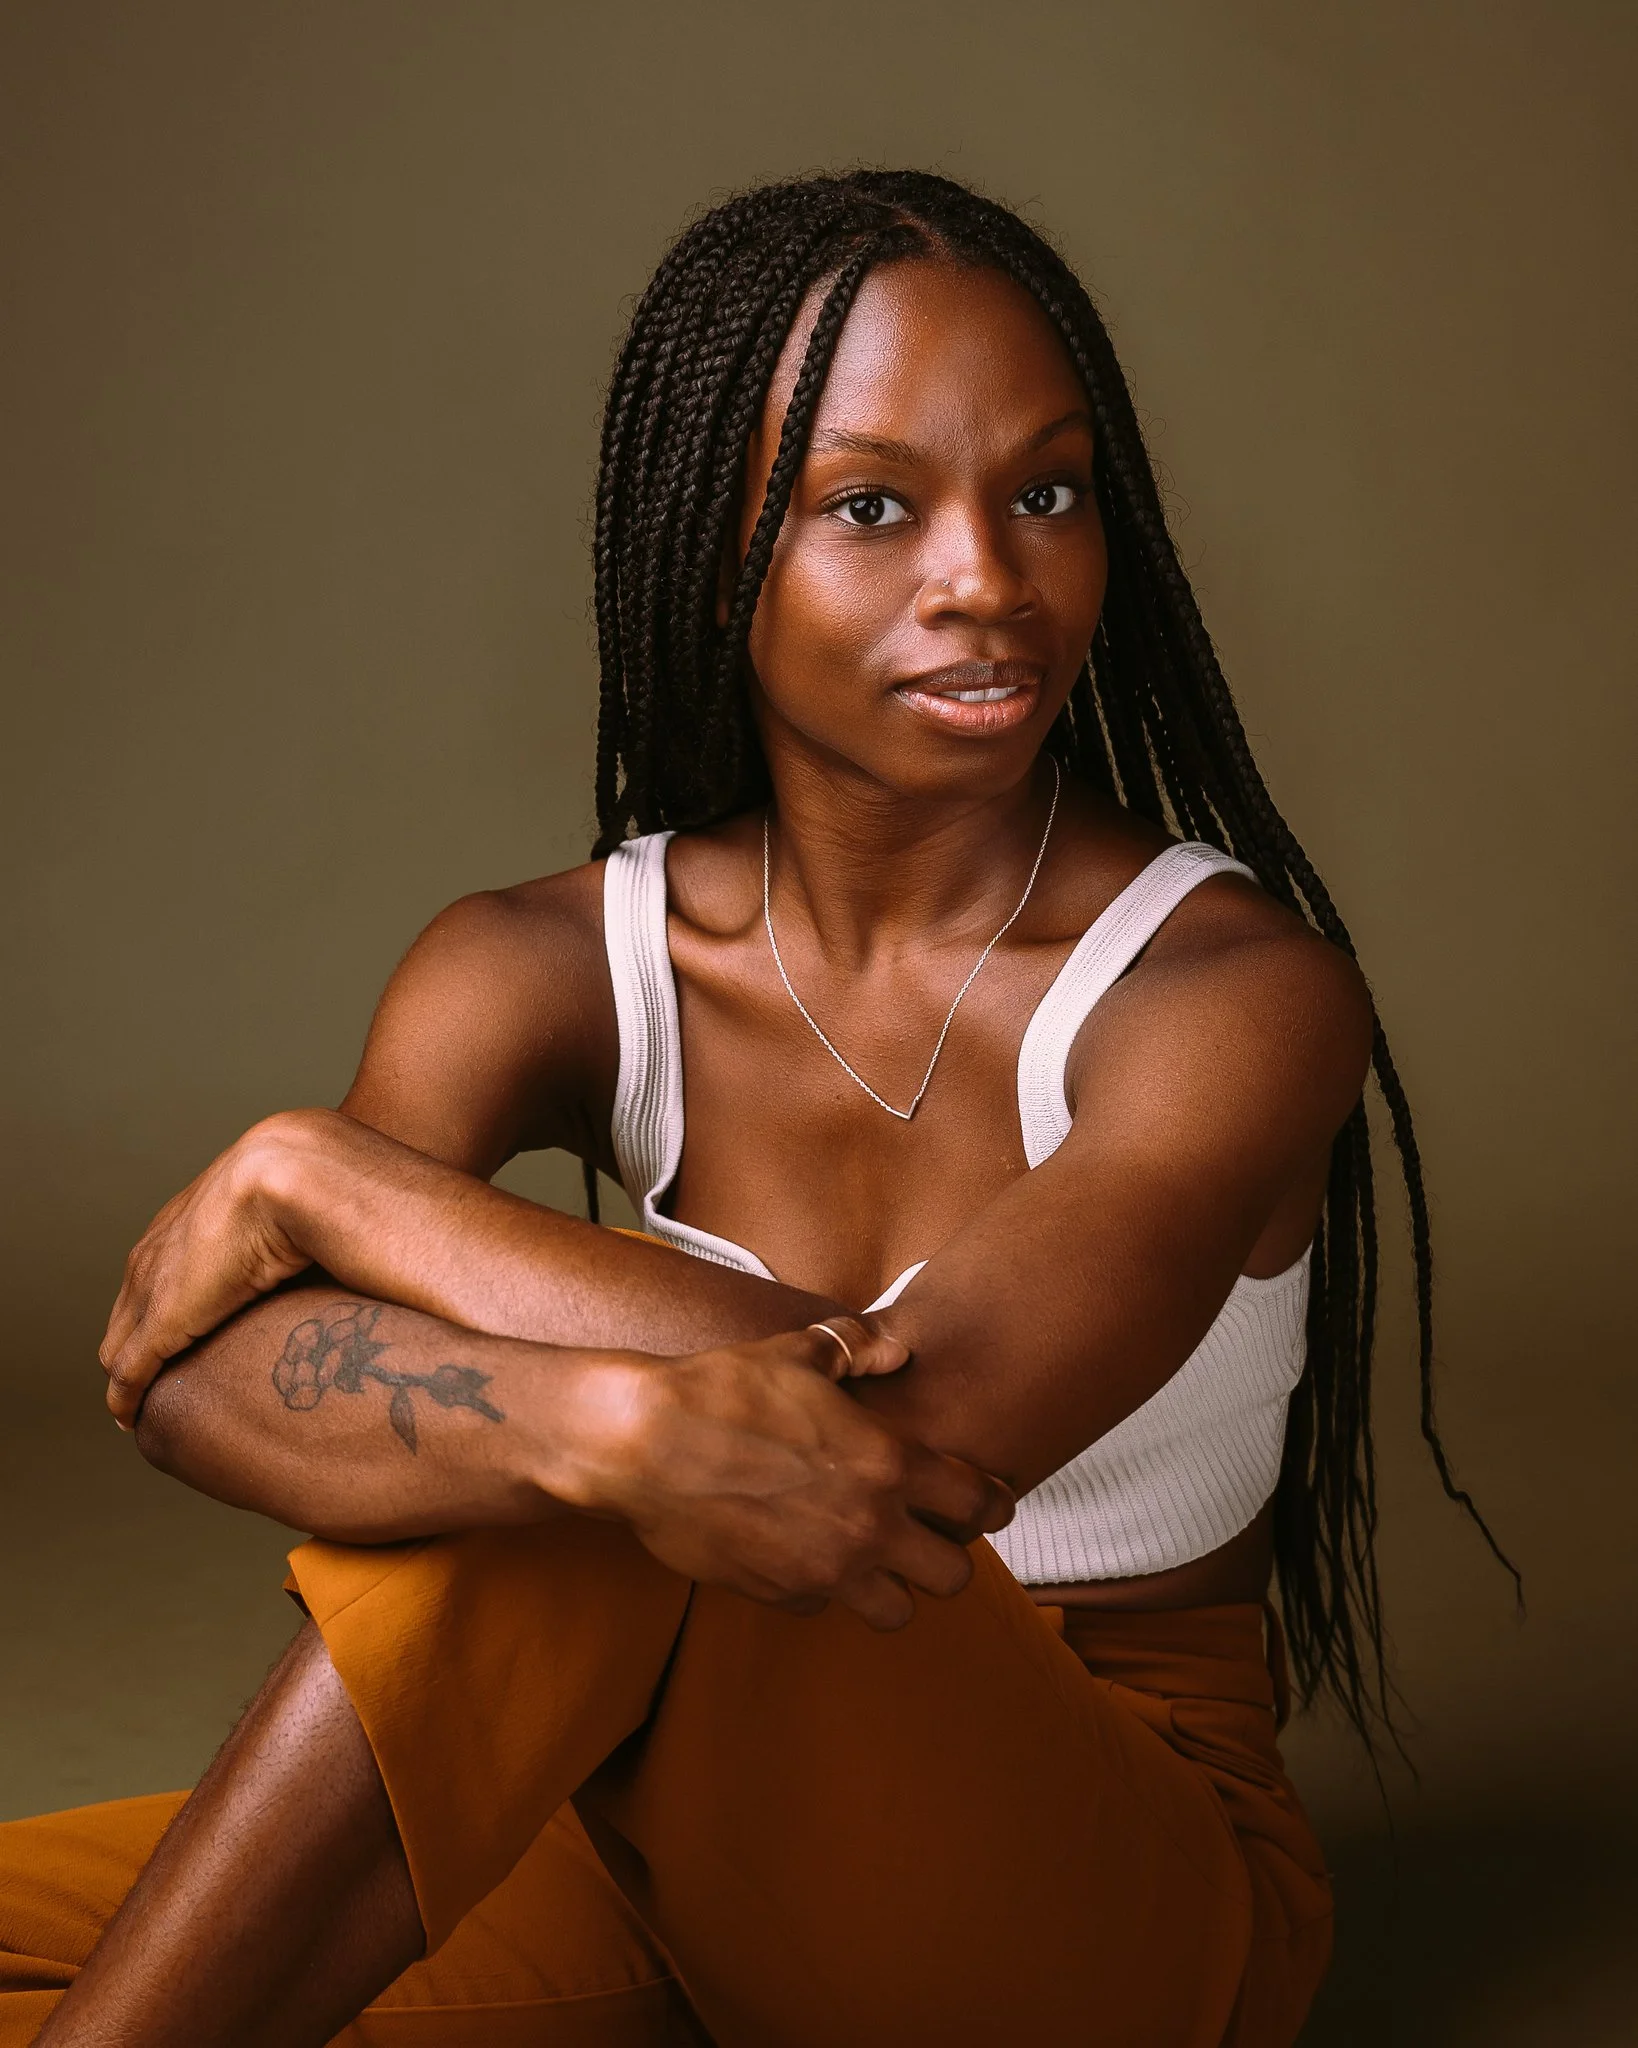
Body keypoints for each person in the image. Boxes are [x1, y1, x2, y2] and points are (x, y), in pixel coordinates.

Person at [0, 170, 1510, 2048]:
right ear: (714, 560)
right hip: (666, 1811)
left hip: (1111, 1893)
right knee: (605, 1474)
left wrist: (327, 1181)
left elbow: (883, 1454)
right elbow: (199, 1379)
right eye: (871, 507)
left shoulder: (1230, 1000)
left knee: (624, 1498)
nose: (987, 576)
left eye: (1045, 493)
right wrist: (596, 1422)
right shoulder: (537, 964)